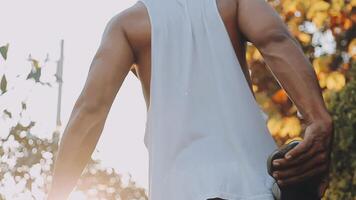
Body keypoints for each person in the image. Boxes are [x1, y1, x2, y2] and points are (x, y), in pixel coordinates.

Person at [47, 0, 334, 199]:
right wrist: (317, 120)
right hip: (257, 185)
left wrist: (55, 195)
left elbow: (89, 111)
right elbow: (277, 41)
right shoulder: (231, 4)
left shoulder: (128, 25)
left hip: (179, 190)